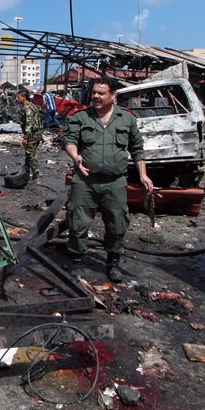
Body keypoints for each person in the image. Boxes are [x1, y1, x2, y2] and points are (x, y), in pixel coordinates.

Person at [63, 77, 154, 283]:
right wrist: (75, 156)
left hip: (115, 182)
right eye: (94, 92)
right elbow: (69, 140)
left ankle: (112, 263)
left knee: (117, 223)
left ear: (113, 95)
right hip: (85, 180)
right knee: (78, 222)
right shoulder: (81, 117)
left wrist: (143, 174)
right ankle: (77, 262)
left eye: (101, 93)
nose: (95, 96)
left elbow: (137, 149)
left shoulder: (127, 119)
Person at [16, 89, 43, 181]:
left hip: (32, 134)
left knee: (30, 154)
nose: (17, 98)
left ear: (24, 97)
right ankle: (26, 172)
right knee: (30, 154)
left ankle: (36, 174)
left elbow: (29, 123)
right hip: (36, 133)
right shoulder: (32, 106)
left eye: (18, 97)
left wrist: (25, 137)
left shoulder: (27, 108)